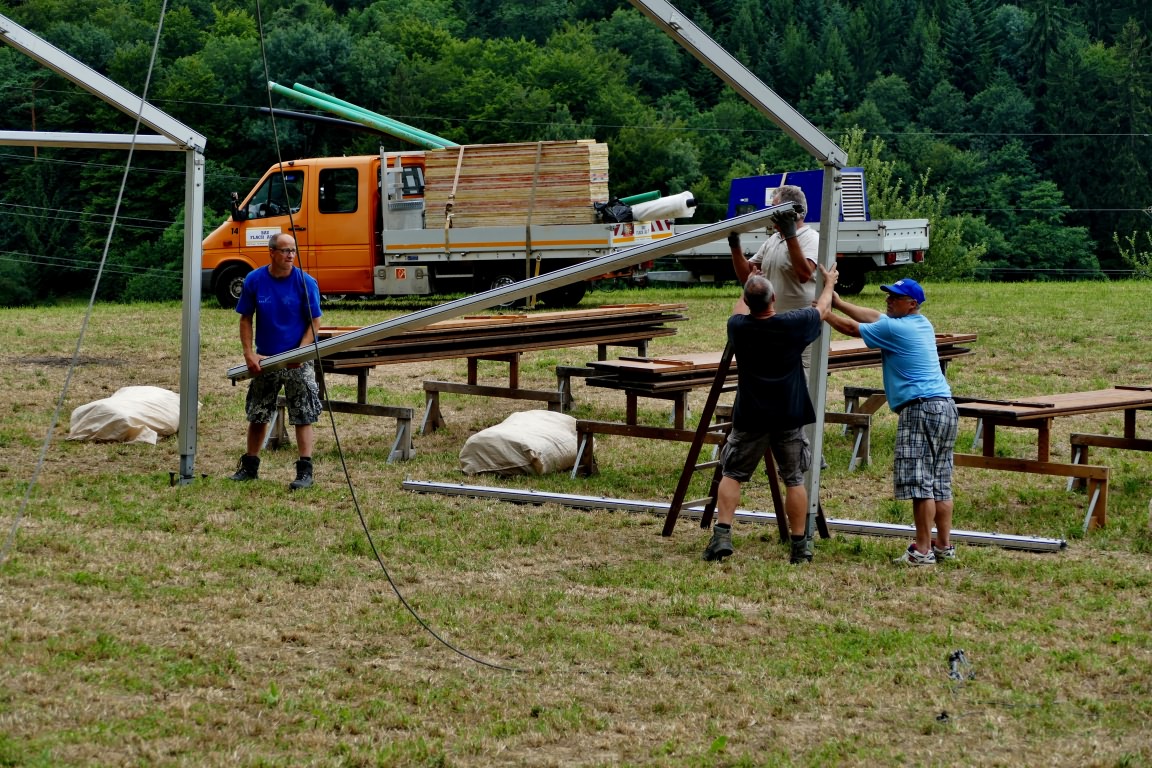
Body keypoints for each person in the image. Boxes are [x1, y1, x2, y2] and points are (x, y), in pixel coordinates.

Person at [703, 260, 839, 565]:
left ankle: (722, 536)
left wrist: (749, 281)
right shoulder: (793, 324)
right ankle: (799, 546)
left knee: (732, 473)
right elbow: (822, 309)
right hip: (788, 414)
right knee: (793, 478)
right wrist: (829, 283)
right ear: (774, 298)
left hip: (751, 414)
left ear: (747, 300)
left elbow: (737, 311)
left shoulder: (738, 327)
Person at [824, 278, 958, 565]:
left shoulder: (896, 328)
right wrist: (839, 302)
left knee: (920, 484)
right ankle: (944, 547)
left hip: (920, 409)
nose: (888, 300)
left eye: (895, 297)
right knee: (940, 482)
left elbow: (853, 328)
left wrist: (824, 313)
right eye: (888, 295)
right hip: (945, 407)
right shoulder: (921, 323)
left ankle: (922, 551)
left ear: (912, 304)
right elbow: (875, 317)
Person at [228, 233, 323, 490]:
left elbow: (315, 321)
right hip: (265, 359)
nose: (290, 255)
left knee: (302, 413)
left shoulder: (305, 282)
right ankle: (250, 466)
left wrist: (300, 353)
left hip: (297, 360)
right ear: (271, 252)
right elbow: (245, 318)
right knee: (258, 413)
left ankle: (305, 471)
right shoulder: (254, 280)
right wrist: (249, 354)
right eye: (284, 250)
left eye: (293, 250)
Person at [727, 184, 819, 364]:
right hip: (772, 325)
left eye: (775, 208)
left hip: (801, 330)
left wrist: (791, 235)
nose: (770, 214)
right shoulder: (773, 240)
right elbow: (747, 277)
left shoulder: (811, 238)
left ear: (791, 211)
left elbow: (804, 274)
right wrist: (735, 246)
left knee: (802, 378)